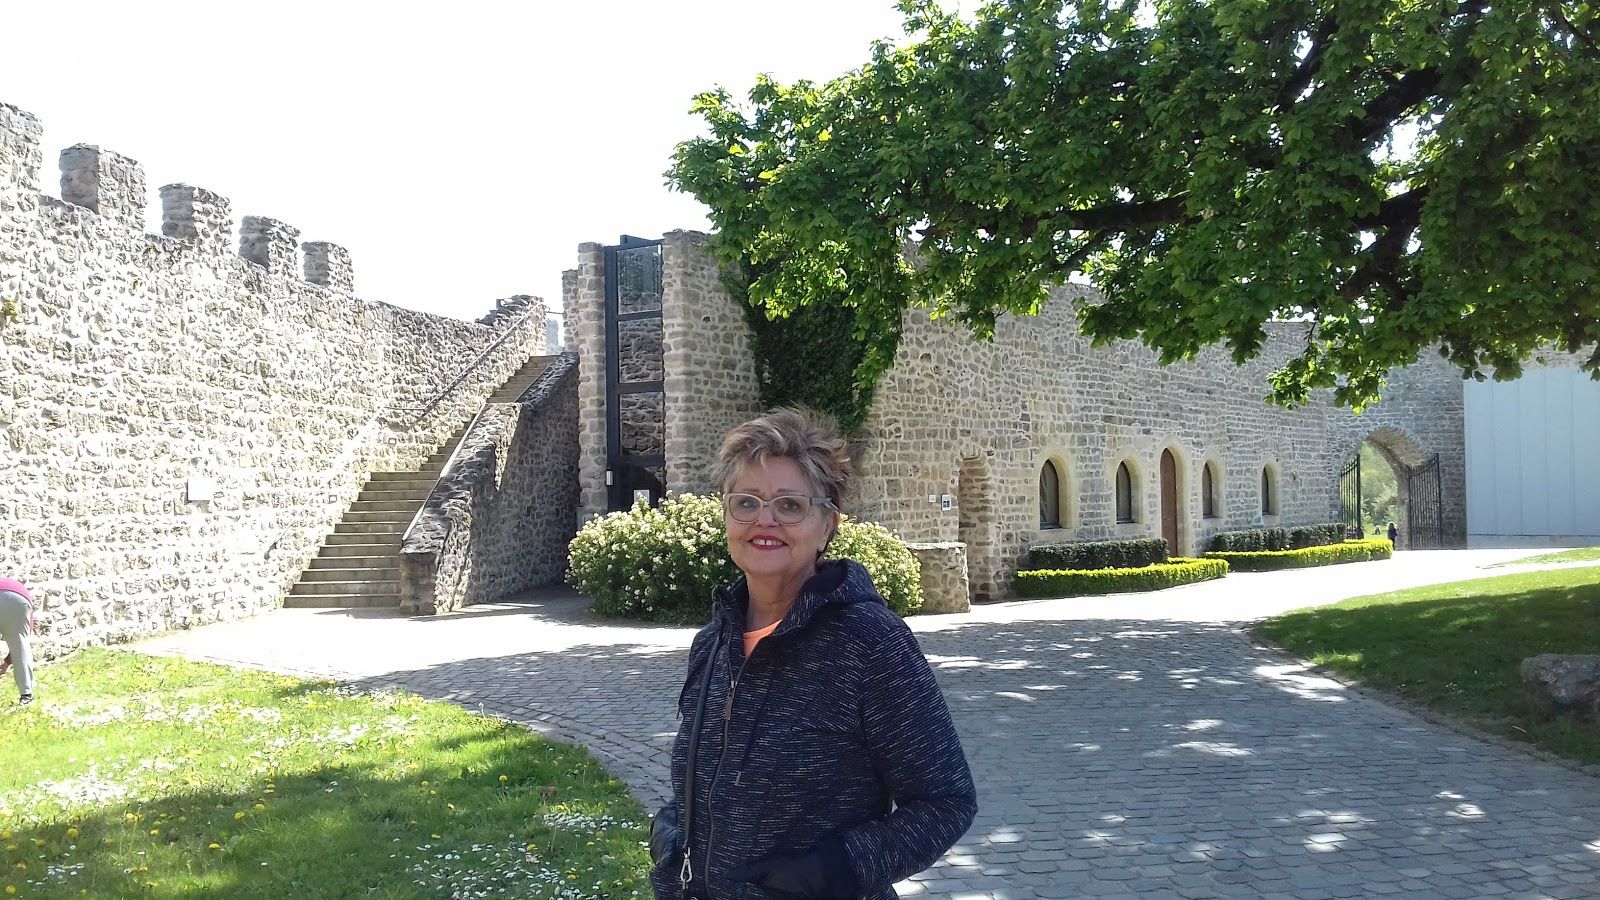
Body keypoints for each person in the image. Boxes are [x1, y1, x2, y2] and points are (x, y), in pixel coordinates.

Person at [649, 408, 976, 900]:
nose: (765, 520)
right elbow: (705, 775)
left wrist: (828, 875)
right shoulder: (712, 643)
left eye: (789, 506)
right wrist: (671, 835)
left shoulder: (869, 642)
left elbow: (945, 801)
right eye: (746, 502)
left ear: (828, 525)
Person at [0, 576, 37, 705]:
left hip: (18, 595)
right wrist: (7, 662)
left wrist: (6, 662)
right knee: (21, 642)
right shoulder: (28, 609)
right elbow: (20, 645)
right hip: (19, 597)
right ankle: (26, 696)